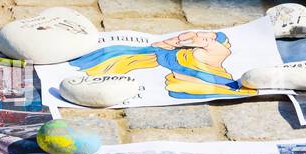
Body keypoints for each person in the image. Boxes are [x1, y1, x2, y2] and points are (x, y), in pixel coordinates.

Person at [71, 30, 254, 99]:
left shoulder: (218, 51)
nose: (202, 37)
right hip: (171, 64)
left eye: (208, 38)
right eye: (204, 36)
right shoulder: (189, 46)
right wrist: (182, 40)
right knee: (115, 55)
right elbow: (172, 42)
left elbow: (211, 43)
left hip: (198, 76)